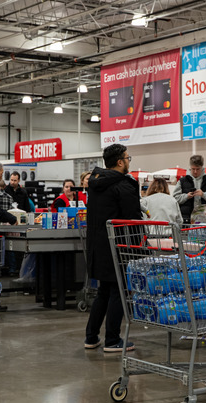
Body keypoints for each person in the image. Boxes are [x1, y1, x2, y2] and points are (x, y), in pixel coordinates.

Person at [84, 144, 142, 353]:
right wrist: (140, 245)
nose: (129, 161)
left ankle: (91, 337)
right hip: (117, 245)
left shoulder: (96, 182)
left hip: (97, 245)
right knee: (118, 290)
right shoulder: (124, 186)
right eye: (127, 158)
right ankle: (112, 339)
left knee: (104, 291)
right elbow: (133, 218)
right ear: (120, 162)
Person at [172, 154, 206, 223]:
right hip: (186, 220)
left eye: (198, 169)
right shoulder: (182, 181)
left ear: (202, 167)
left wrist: (203, 194)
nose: (195, 171)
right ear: (190, 168)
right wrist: (186, 196)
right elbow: (174, 199)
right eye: (193, 169)